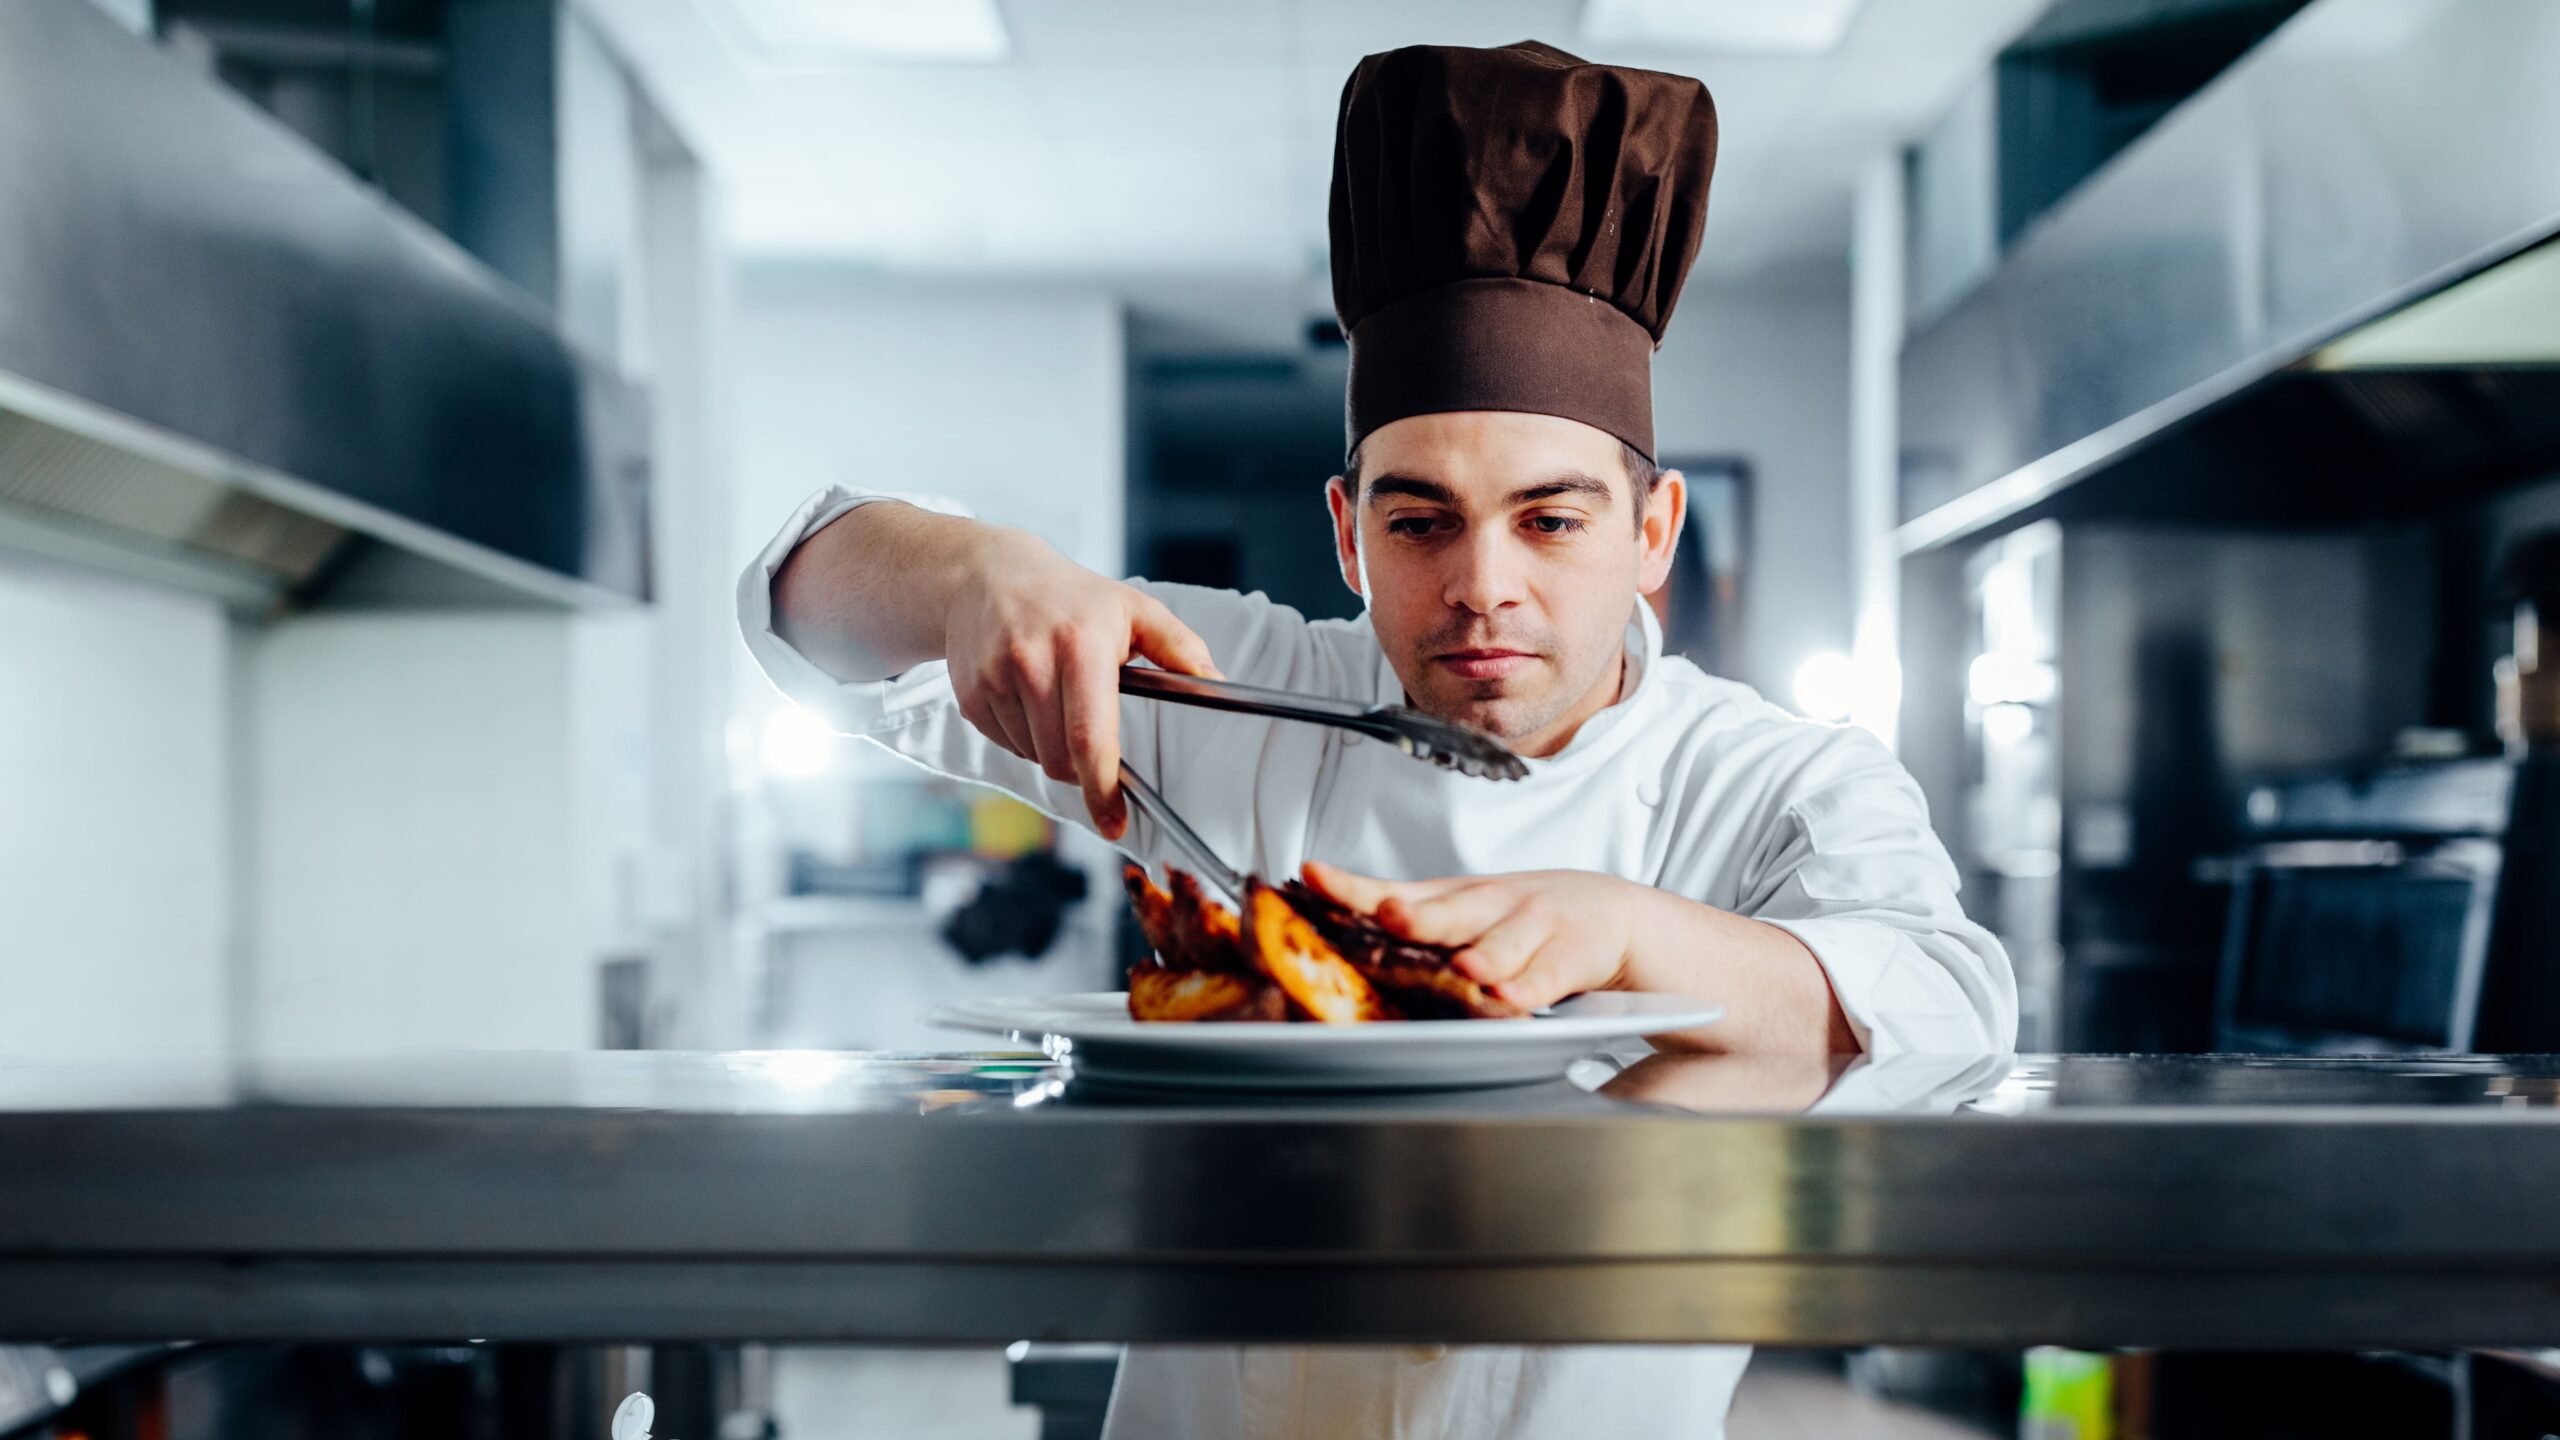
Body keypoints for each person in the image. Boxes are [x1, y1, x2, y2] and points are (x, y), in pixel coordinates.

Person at [739, 38, 2015, 1440]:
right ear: (1348, 533)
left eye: (1551, 519)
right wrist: (979, 574)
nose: (1483, 584)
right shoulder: (1228, 687)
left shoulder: (1776, 777)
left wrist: (1617, 929)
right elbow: (801, 600)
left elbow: (1953, 1001)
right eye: (1420, 522)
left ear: (1652, 536)